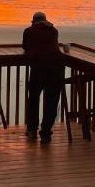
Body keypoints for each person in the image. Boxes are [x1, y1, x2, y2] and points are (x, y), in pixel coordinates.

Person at [23, 10, 64, 143]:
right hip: (55, 68)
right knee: (51, 101)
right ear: (45, 20)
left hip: (38, 68)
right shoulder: (54, 31)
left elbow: (25, 46)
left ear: (33, 22)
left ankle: (32, 131)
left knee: (34, 99)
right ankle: (46, 133)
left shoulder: (29, 31)